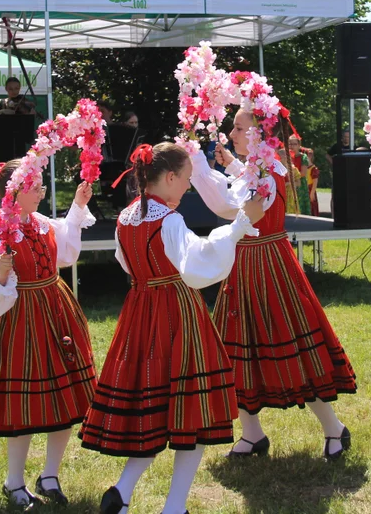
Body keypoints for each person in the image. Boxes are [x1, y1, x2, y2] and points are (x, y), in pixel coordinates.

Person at [79, 143, 264, 514]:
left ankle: (124, 489)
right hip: (177, 313)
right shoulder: (169, 219)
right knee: (190, 408)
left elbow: (128, 265)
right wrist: (240, 226)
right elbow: (197, 264)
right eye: (186, 179)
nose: (188, 187)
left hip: (139, 312)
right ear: (169, 177)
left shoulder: (125, 217)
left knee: (154, 408)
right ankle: (175, 506)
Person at [192, 110, 358, 460]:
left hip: (268, 265)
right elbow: (246, 185)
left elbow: (232, 206)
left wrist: (197, 166)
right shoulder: (260, 166)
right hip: (248, 262)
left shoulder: (268, 168)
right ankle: (252, 434)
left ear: (257, 134)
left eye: (239, 128)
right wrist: (233, 165)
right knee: (239, 347)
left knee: (288, 342)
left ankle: (334, 428)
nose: (232, 133)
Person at [0, 162, 97, 509]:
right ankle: (14, 481)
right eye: (34, 186)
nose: (41, 191)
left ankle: (50, 475)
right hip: (19, 317)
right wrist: (1, 276)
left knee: (64, 399)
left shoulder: (44, 223)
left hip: (56, 312)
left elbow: (65, 253)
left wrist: (78, 206)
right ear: (12, 193)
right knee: (25, 403)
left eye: (40, 186)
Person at [286, 134, 313, 215]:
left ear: (299, 145)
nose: (292, 146)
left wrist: (292, 178)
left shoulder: (303, 157)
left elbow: (303, 173)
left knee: (299, 203)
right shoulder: (285, 156)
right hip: (288, 184)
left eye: (294, 144)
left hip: (299, 184)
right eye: (290, 144)